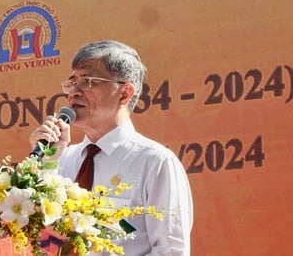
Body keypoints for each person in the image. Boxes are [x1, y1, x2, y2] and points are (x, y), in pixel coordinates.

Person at [29, 40, 193, 255]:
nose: (74, 92)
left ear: (124, 93)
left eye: (87, 81)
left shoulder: (155, 162)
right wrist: (44, 164)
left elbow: (171, 251)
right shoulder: (60, 159)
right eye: (72, 83)